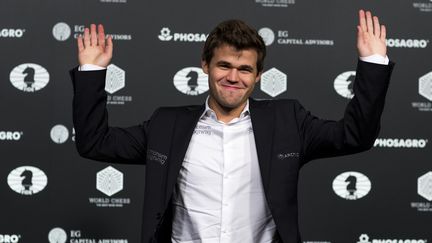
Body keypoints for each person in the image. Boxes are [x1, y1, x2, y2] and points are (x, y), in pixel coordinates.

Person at [70, 9, 394, 243]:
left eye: (245, 69)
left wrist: (372, 63)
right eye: (224, 65)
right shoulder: (167, 124)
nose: (233, 77)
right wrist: (90, 70)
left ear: (258, 76)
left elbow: (356, 136)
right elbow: (94, 142)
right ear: (205, 65)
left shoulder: (288, 121)